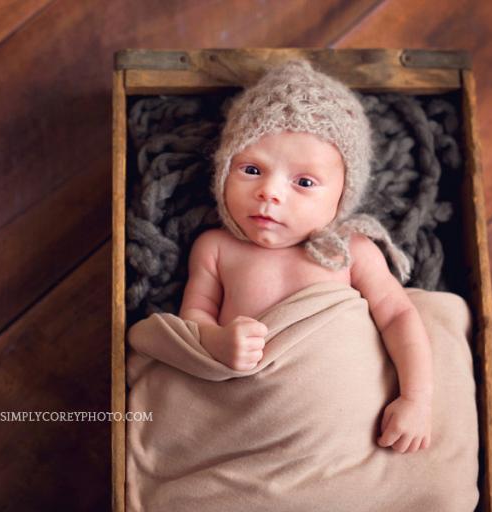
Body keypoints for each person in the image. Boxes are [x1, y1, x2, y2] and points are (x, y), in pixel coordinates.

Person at [178, 59, 433, 455]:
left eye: (304, 182)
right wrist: (215, 341)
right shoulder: (216, 248)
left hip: (345, 428)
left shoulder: (349, 251)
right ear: (222, 170)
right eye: (250, 169)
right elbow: (193, 318)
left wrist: (416, 399)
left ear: (342, 196)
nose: (270, 192)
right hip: (246, 420)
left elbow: (399, 316)